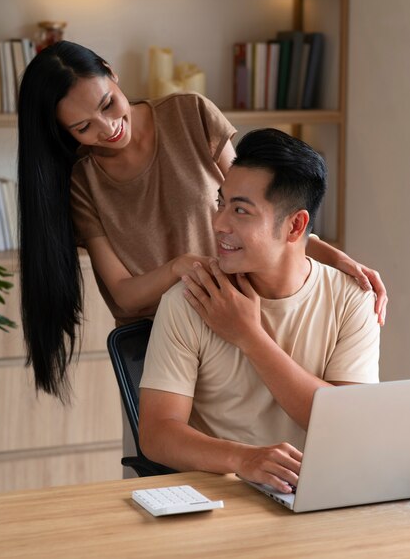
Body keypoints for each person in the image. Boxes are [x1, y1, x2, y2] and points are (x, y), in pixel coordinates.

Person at [18, 41, 385, 453]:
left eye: (108, 104)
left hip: (241, 302)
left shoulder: (189, 113)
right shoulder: (83, 182)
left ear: (111, 72)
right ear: (64, 133)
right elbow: (123, 294)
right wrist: (181, 268)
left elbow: (257, 204)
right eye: (83, 128)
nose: (107, 129)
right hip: (172, 335)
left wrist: (334, 259)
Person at [139, 128, 380, 492]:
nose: (218, 223)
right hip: (221, 498)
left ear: (295, 225)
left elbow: (350, 427)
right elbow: (157, 434)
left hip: (318, 494)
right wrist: (244, 459)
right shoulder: (190, 299)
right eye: (221, 203)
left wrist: (250, 337)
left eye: (240, 210)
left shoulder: (352, 300)